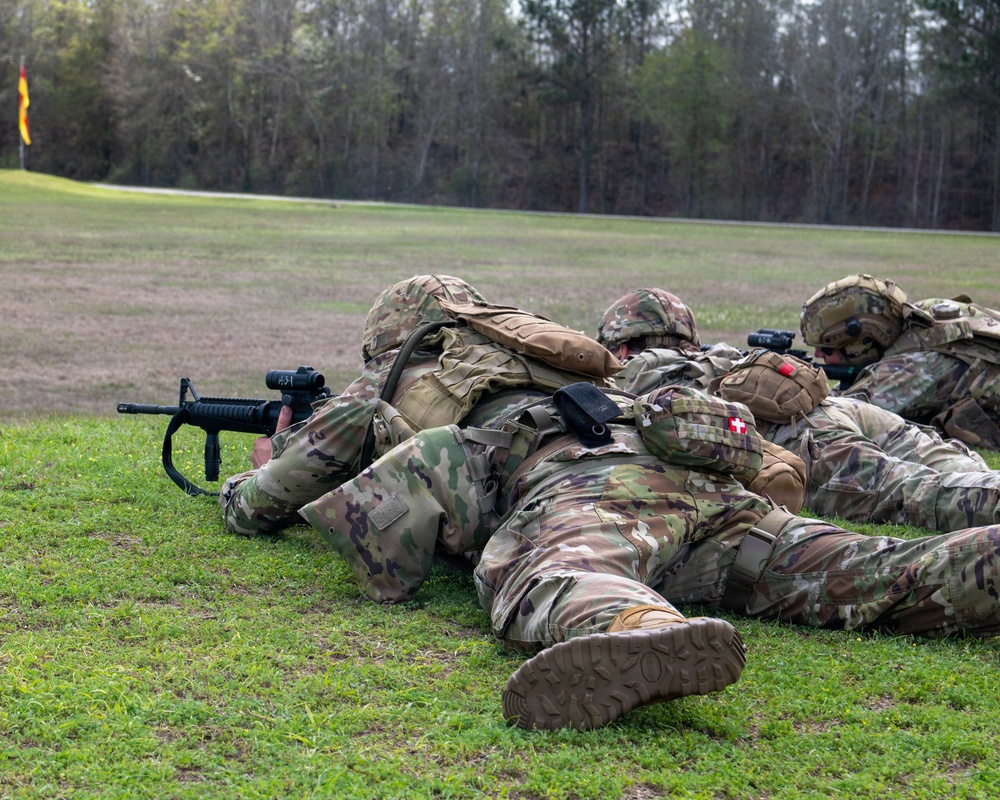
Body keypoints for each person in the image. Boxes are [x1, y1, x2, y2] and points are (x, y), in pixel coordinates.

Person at [223, 275, 1000, 733]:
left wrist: (250, 481)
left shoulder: (392, 382)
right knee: (865, 569)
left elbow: (279, 491)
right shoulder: (546, 351)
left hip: (581, 485)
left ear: (390, 337)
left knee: (548, 572)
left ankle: (643, 628)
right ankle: (974, 564)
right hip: (692, 478)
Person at [598, 287, 1000, 533]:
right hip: (834, 405)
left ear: (621, 347)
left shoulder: (632, 374)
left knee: (915, 493)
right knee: (957, 466)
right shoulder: (723, 354)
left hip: (797, 435)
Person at [800, 273, 1000, 449]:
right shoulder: (923, 318)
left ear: (864, 341)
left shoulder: (911, 367)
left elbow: (838, 417)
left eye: (827, 349)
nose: (818, 355)